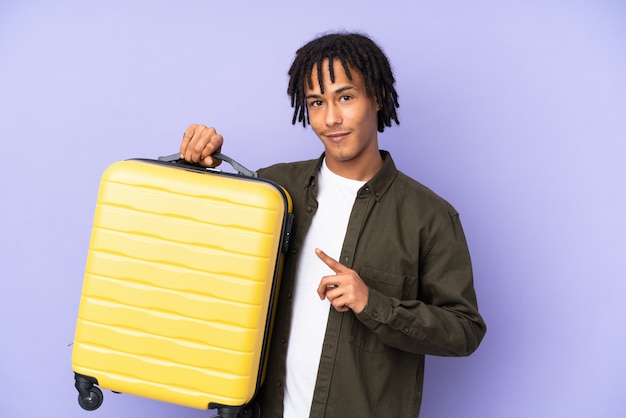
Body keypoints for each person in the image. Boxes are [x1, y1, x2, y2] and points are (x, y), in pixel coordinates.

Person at [179, 32, 486, 418]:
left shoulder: (429, 217)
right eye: (316, 103)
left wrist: (374, 304)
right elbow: (201, 267)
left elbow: (465, 331)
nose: (331, 119)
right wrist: (195, 175)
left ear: (376, 96)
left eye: (345, 97)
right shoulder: (272, 190)